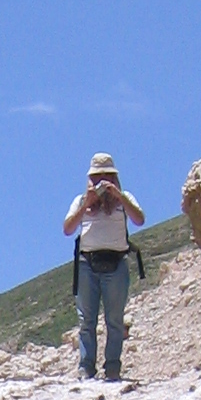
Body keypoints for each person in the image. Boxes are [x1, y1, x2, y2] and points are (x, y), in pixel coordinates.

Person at [62, 152, 145, 380]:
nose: (101, 183)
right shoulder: (81, 201)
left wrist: (119, 196)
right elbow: (68, 229)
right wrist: (87, 204)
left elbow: (139, 219)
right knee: (86, 321)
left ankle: (113, 368)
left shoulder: (124, 199)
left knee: (115, 320)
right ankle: (86, 367)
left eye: (107, 177)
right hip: (87, 264)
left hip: (116, 263)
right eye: (97, 178)